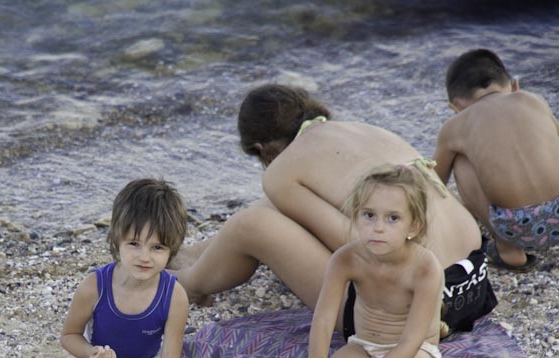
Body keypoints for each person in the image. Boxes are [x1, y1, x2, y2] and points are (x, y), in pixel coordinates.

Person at [172, 84, 497, 337]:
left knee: (251, 225)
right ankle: (194, 254)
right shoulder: (363, 131)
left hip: (417, 310)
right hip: (473, 283)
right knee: (291, 205)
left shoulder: (281, 170)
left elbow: (359, 244)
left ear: (262, 149)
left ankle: (189, 284)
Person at [252, 164, 444, 358]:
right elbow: (323, 321)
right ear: (355, 216)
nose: (378, 227)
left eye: (393, 218)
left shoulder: (425, 267)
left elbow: (411, 342)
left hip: (416, 350)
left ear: (414, 226)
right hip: (364, 343)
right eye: (369, 215)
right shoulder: (346, 259)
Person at [47, 178, 190, 358]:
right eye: (134, 243)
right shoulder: (95, 286)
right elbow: (69, 335)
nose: (144, 257)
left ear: (172, 248)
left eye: (157, 247)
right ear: (117, 238)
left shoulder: (174, 296)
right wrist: (90, 354)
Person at [432, 48, 559, 271]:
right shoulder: (533, 100)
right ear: (515, 86)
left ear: (455, 107)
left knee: (460, 161)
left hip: (516, 227)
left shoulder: (455, 126)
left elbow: (433, 183)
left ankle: (507, 249)